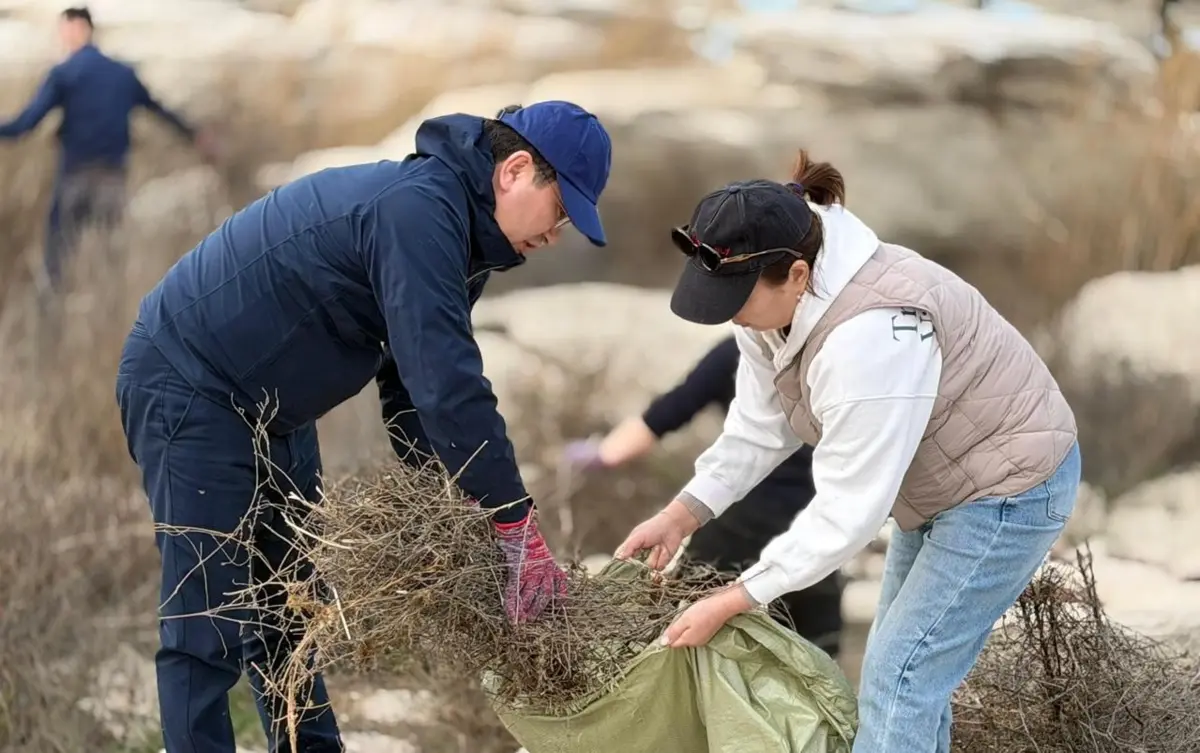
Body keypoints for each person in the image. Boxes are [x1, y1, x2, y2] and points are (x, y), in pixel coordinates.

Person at [115, 100, 611, 753]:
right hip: (190, 383)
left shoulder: (462, 237)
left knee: (291, 607)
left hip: (272, 408)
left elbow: (409, 388)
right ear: (516, 170)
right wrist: (513, 520)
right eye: (562, 210)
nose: (558, 234)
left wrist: (455, 508)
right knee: (205, 621)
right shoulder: (417, 211)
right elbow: (448, 385)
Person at [616, 152, 1079, 753]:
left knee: (901, 677)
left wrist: (737, 597)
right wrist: (683, 513)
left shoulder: (873, 333)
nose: (730, 314)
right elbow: (761, 427)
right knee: (902, 674)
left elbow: (850, 509)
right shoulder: (767, 310)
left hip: (1009, 487)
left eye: (735, 297)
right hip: (935, 487)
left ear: (799, 275)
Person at [561, 335, 843, 657]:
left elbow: (670, 410)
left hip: (737, 529)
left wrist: (603, 454)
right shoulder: (832, 348)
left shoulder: (737, 350)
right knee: (814, 659)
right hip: (813, 530)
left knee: (679, 643)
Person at [0, 7, 211, 294]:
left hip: (75, 176)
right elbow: (159, 109)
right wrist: (195, 136)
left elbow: (25, 124)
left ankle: (57, 320)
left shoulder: (64, 73)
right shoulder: (121, 73)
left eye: (65, 30)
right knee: (108, 259)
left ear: (79, 28)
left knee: (58, 261)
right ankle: (108, 315)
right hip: (112, 176)